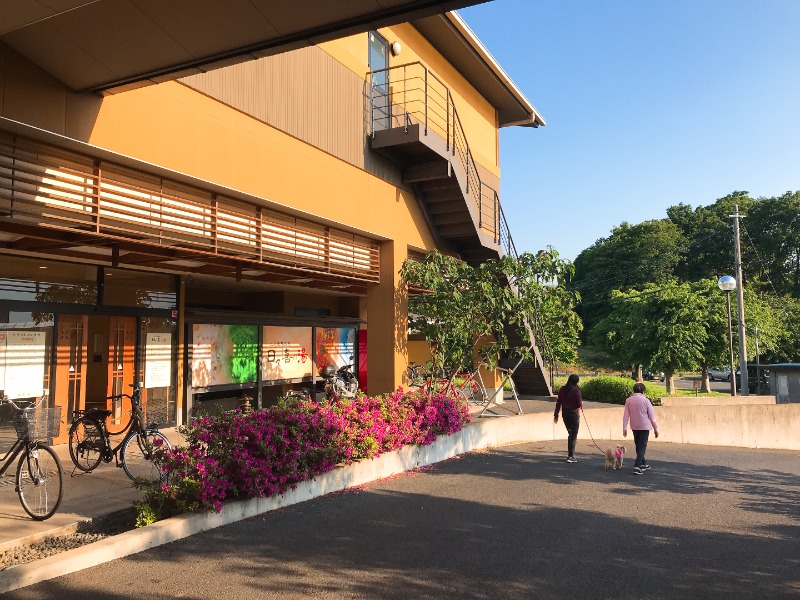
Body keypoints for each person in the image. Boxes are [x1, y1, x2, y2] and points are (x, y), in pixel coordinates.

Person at [623, 382, 659, 475]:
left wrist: (624, 427)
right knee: (642, 446)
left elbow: (626, 416)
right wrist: (655, 429)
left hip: (634, 426)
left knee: (638, 445)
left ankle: (642, 463)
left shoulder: (629, 400)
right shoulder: (646, 400)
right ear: (643, 391)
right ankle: (637, 465)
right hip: (644, 426)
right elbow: (651, 416)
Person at [554, 374, 583, 463]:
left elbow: (558, 403)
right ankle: (570, 456)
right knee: (573, 435)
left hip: (565, 414)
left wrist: (556, 415)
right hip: (574, 414)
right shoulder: (576, 390)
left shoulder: (562, 389)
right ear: (576, 382)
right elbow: (579, 404)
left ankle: (570, 453)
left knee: (570, 433)